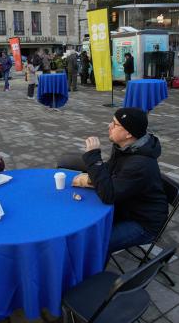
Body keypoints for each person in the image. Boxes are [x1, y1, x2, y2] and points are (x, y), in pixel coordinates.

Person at [72, 107, 168, 254]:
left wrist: (93, 158)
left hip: (142, 223)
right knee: (82, 223)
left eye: (115, 124)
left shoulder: (139, 164)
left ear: (129, 133)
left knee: (93, 244)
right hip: (126, 206)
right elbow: (110, 171)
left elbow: (108, 195)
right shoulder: (125, 147)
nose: (109, 126)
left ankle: (91, 273)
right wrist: (89, 179)